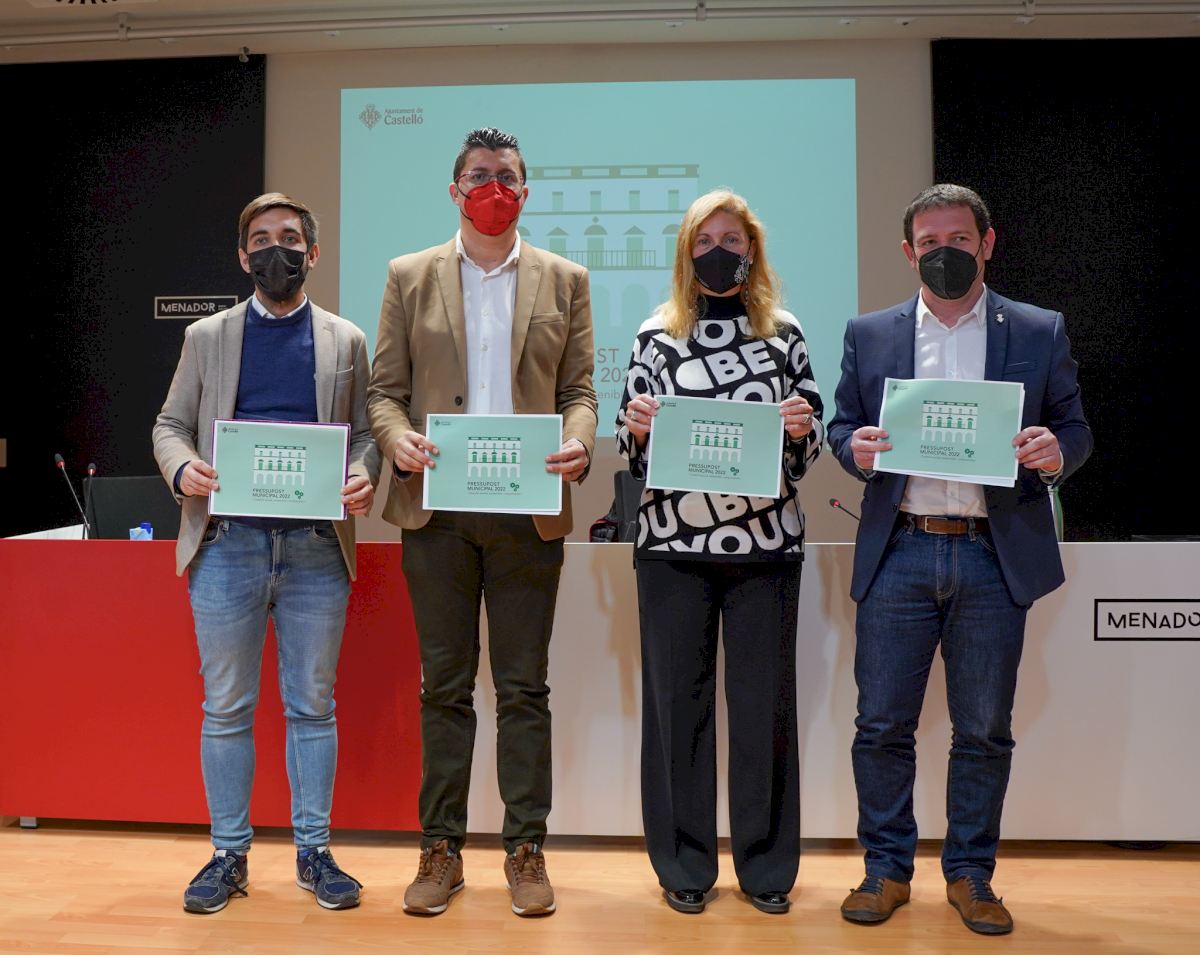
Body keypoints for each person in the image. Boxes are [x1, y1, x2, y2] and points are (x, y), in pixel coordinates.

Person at [827, 184, 1092, 935]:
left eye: (959, 239)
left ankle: (971, 874)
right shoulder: (870, 333)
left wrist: (1055, 452)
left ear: (987, 243)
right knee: (882, 723)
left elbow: (1074, 428)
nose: (944, 252)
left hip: (991, 553)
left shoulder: (1037, 329)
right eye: (929, 242)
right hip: (901, 548)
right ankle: (885, 869)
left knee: (982, 729)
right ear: (908, 251)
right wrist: (853, 447)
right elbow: (842, 426)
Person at [367, 127, 596, 918]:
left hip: (528, 511)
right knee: (445, 686)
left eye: (505, 176)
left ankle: (526, 849)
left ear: (524, 192)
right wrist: (396, 439)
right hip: (438, 511)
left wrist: (579, 440)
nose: (491, 187)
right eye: (478, 175)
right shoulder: (409, 275)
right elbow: (384, 391)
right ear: (454, 189)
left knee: (525, 687)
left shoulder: (566, 279)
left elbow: (580, 391)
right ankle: (441, 849)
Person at [152, 192, 380, 915]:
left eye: (288, 238)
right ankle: (229, 854)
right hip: (228, 544)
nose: (274, 250)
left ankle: (314, 852)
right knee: (226, 706)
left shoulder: (346, 339)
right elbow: (169, 424)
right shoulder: (207, 336)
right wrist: (182, 469)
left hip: (316, 548)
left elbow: (367, 434)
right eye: (260, 239)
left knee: (313, 705)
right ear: (242, 255)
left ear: (312, 253)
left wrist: (365, 472)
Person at [616, 189, 823, 916]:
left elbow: (810, 444)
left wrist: (798, 428)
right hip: (672, 546)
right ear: (685, 252)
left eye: (731, 239)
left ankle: (767, 869)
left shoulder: (785, 333)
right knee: (678, 708)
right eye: (704, 241)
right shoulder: (654, 335)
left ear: (752, 249)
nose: (717, 251)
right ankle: (683, 864)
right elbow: (629, 450)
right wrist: (638, 428)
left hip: (766, 547)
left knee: (764, 709)